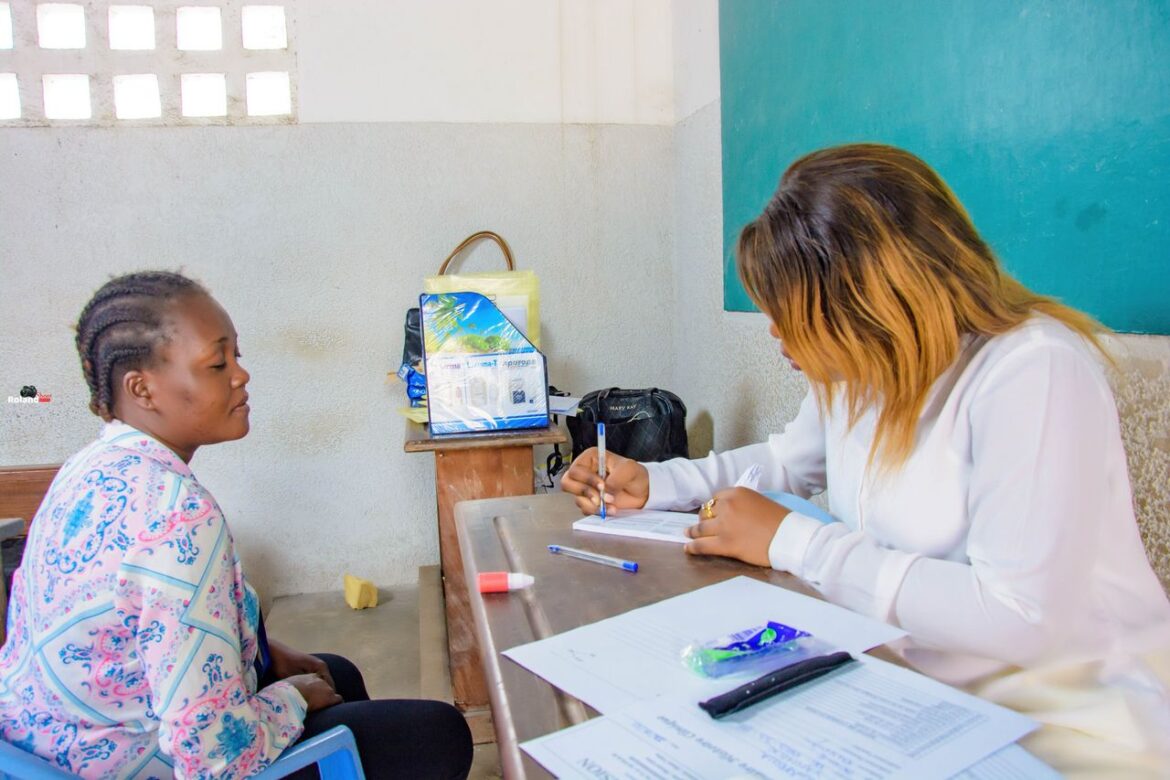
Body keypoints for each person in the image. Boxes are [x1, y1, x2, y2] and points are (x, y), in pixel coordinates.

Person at [562, 144, 1170, 774]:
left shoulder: (1031, 371)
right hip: (921, 697)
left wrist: (796, 542)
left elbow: (1020, 619)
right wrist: (656, 483)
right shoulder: (861, 371)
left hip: (1070, 729)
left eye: (790, 314)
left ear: (867, 300)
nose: (774, 332)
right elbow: (787, 461)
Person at [0, 271, 473, 779]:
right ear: (143, 389)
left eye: (237, 356)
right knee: (435, 734)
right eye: (217, 363)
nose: (240, 375)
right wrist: (288, 700)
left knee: (336, 672)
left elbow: (151, 629)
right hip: (139, 765)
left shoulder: (89, 467)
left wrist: (261, 654)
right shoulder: (176, 516)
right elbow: (215, 758)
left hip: (45, 751)